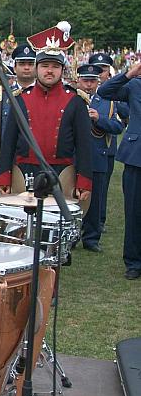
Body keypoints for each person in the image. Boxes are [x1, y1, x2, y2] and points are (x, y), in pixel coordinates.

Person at [0, 22, 92, 201]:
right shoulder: (20, 99)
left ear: (62, 70)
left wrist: (84, 181)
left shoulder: (76, 100)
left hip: (63, 174)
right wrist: (4, 176)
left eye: (55, 66)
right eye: (45, 65)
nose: (49, 70)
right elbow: (8, 141)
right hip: (24, 174)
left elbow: (84, 145)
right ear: (36, 68)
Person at [96, 60, 141, 279]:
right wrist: (130, 73)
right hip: (136, 157)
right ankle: (133, 262)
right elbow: (105, 91)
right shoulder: (135, 85)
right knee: (133, 211)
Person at [77, 64, 123, 252]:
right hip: (74, 156)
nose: (88, 85)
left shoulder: (108, 101)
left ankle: (91, 238)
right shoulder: (71, 98)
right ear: (78, 80)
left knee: (95, 199)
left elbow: (118, 127)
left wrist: (99, 119)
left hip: (98, 154)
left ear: (98, 81)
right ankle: (70, 237)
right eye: (85, 80)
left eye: (92, 81)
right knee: (73, 199)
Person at [90, 52, 128, 233]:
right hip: (83, 149)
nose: (100, 73)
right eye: (96, 69)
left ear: (108, 72)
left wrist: (101, 119)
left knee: (101, 187)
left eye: (103, 69)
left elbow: (123, 117)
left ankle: (99, 220)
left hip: (106, 147)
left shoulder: (113, 94)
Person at [0, 45, 37, 178]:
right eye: (22, 64)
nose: (26, 67)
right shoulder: (3, 94)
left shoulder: (43, 95)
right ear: (14, 67)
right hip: (8, 161)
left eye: (31, 64)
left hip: (36, 161)